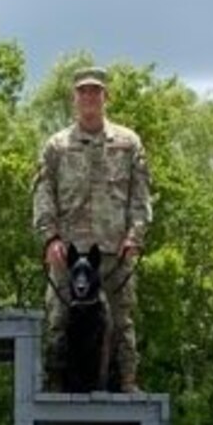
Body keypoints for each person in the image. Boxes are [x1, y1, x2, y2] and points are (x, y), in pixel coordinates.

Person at [32, 66, 152, 391]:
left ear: (105, 97)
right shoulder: (57, 146)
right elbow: (43, 193)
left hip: (113, 249)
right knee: (59, 317)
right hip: (68, 252)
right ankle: (55, 382)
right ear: (74, 98)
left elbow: (140, 195)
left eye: (95, 92)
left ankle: (126, 381)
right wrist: (49, 238)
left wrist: (135, 235)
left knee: (121, 319)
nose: (89, 98)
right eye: (83, 91)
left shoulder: (128, 144)